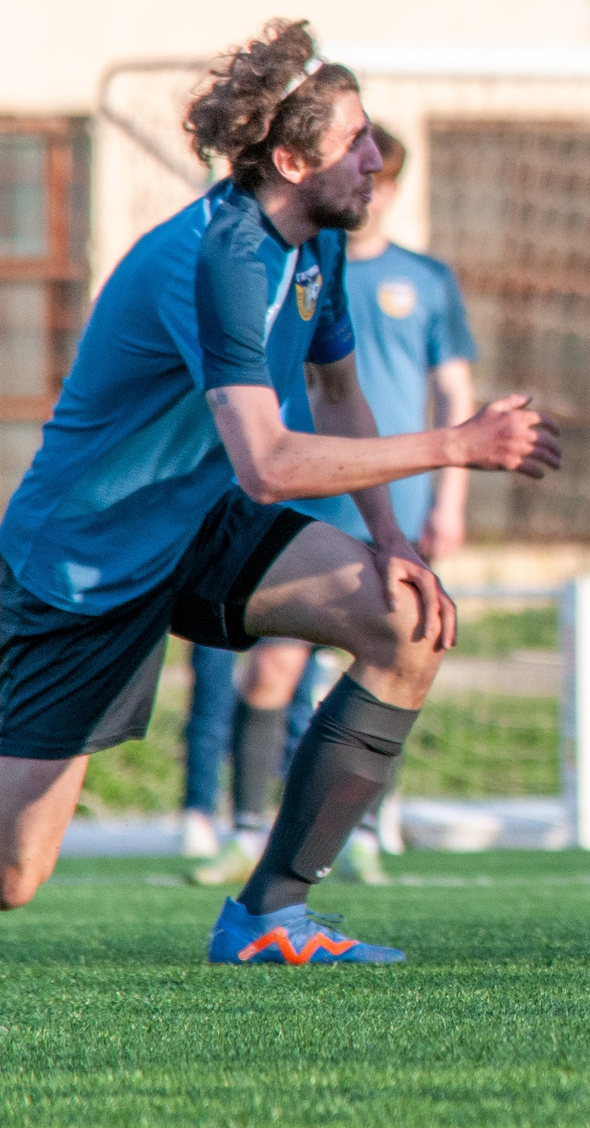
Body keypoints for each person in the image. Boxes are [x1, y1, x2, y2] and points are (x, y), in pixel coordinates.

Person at [0, 21, 559, 966]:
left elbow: (338, 390)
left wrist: (394, 543)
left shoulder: (318, 242)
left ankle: (269, 919)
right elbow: (269, 464)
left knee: (404, 623)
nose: (378, 159)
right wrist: (458, 445)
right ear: (291, 159)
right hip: (85, 557)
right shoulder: (220, 260)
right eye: (358, 142)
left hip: (197, 523)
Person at [189, 123, 477, 889]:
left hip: (391, 494)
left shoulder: (423, 279)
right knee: (271, 675)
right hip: (309, 488)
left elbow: (446, 386)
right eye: (359, 168)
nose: (370, 186)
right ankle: (246, 831)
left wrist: (445, 498)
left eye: (381, 176)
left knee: (403, 649)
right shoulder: (276, 259)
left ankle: (360, 833)